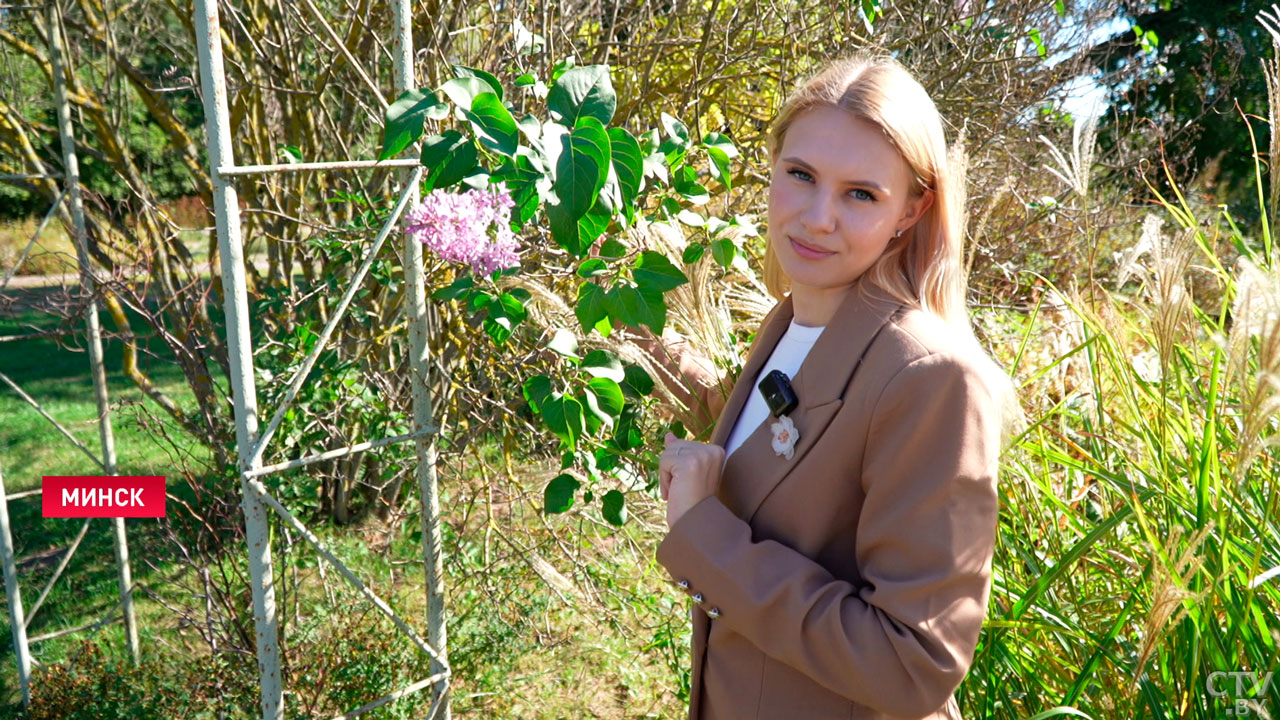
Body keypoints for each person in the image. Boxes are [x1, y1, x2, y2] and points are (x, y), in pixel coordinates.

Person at [649, 54, 1011, 720]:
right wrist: (646, 341)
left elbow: (912, 663)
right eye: (801, 176)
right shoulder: (794, 316)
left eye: (860, 194)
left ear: (911, 208)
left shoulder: (932, 377)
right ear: (773, 166)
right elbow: (786, 445)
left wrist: (706, 533)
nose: (818, 217)